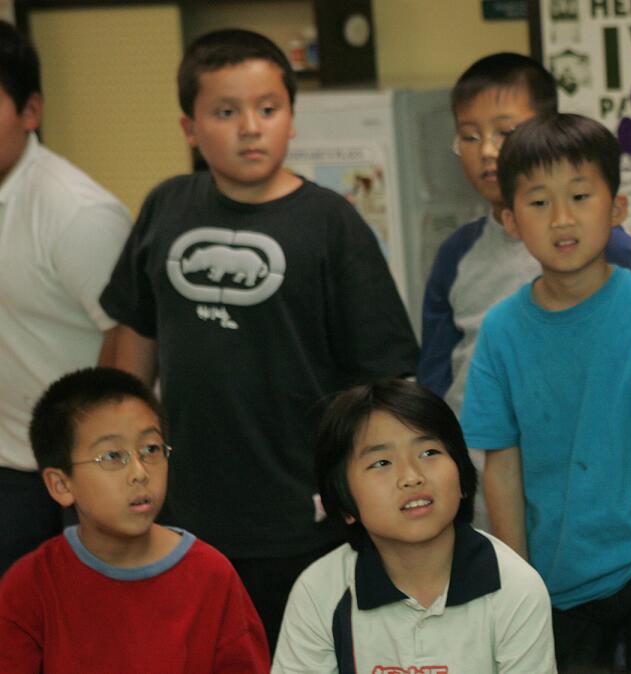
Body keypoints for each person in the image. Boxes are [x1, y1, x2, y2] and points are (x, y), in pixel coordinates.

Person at [99, 29, 419, 649]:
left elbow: (381, 382)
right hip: (182, 512)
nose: (251, 127)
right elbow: (135, 335)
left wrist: (365, 494)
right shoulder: (167, 205)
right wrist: (115, 458)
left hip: (303, 519)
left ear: (291, 120)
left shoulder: (333, 222)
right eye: (226, 112)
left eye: (268, 109)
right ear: (189, 127)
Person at [462, 113, 631, 673]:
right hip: (556, 586)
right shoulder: (502, 331)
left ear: (617, 208)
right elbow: (501, 471)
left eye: (580, 196)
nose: (562, 218)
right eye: (538, 202)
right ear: (509, 219)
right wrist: (521, 594)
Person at [418, 52, 631, 531]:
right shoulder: (457, 251)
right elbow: (433, 373)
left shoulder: (592, 239)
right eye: (470, 136)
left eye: (505, 132)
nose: (489, 150)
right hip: (478, 483)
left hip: (582, 483)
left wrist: (608, 376)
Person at [272, 378, 554, 673]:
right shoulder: (320, 591)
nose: (411, 476)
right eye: (381, 462)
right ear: (344, 502)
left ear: (461, 475)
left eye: (429, 453)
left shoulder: (514, 588)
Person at [0, 367, 269, 672]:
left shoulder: (212, 577)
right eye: (112, 456)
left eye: (151, 449)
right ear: (61, 485)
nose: (140, 473)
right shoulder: (30, 586)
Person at [0, 21, 132, 574]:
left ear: (31, 111)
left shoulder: (76, 213)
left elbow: (131, 334)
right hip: (10, 465)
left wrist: (94, 467)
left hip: (75, 477)